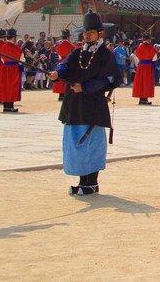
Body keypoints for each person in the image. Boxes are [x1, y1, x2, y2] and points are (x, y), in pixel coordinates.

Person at [47, 12, 120, 196]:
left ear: (100, 33)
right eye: (85, 33)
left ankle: (92, 182)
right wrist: (57, 73)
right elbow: (65, 65)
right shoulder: (77, 52)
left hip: (93, 103)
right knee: (76, 143)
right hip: (75, 104)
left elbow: (107, 79)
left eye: (91, 32)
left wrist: (85, 87)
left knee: (92, 143)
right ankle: (81, 181)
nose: (87, 35)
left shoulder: (106, 54)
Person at [0, 28, 24, 113]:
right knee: (12, 87)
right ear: (13, 38)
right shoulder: (15, 47)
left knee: (5, 86)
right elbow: (21, 59)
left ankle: (6, 105)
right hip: (13, 69)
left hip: (5, 67)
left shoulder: (3, 46)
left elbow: (2, 59)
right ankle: (10, 105)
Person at [132, 34, 157, 105]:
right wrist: (154, 66)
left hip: (140, 66)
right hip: (148, 67)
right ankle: (145, 99)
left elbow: (136, 57)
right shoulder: (150, 48)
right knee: (146, 83)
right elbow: (154, 58)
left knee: (140, 83)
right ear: (149, 40)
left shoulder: (139, 47)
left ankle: (141, 99)